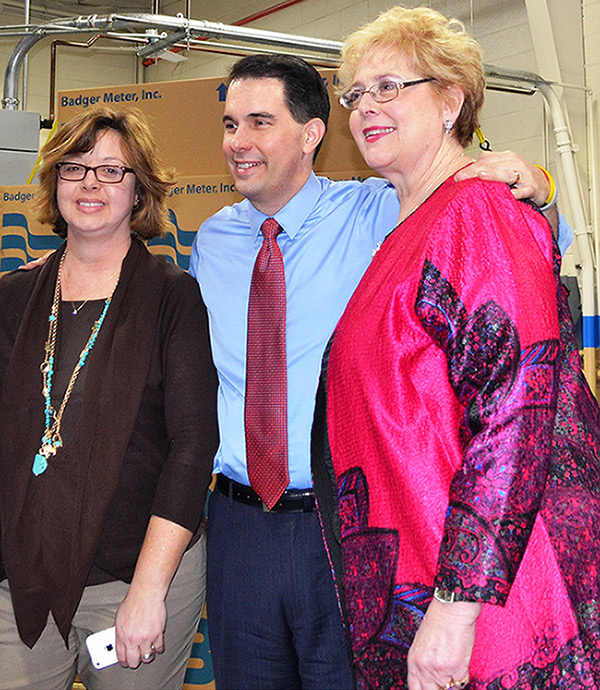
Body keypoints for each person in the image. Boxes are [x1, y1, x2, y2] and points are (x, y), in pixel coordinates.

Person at [189, 52, 564, 690]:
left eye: (259, 122)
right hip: (238, 525)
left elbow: (485, 230)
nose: (238, 143)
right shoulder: (211, 240)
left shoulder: (376, 211)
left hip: (342, 528)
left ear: (311, 135)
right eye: (229, 125)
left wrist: (539, 180)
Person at [310, 7, 600, 690]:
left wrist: (455, 607)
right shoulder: (412, 226)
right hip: (422, 576)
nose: (365, 107)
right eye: (355, 93)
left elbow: (516, 414)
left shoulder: (476, 211)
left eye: (389, 86)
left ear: (450, 98)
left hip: (492, 601)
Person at [0, 107, 219, 690]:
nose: (90, 183)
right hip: (22, 577)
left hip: (136, 577)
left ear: (139, 188)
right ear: (53, 181)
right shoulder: (14, 297)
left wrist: (149, 591)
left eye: (111, 170)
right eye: (74, 167)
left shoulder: (174, 299)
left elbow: (193, 449)